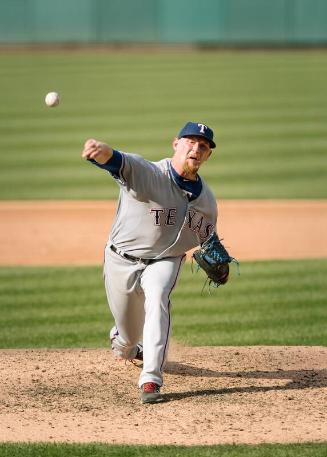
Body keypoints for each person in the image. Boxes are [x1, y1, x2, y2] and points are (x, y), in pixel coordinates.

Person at [82, 121, 219, 404]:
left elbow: (208, 240)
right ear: (176, 144)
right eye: (190, 142)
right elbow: (118, 161)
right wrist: (100, 151)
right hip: (120, 260)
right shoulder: (150, 173)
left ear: (207, 155)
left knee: (158, 297)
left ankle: (151, 380)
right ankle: (125, 345)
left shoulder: (206, 202)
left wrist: (221, 267)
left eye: (203, 146)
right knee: (127, 343)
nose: (196, 148)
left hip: (165, 261)